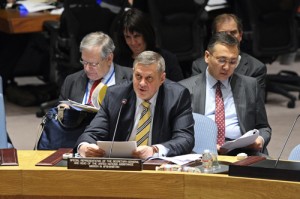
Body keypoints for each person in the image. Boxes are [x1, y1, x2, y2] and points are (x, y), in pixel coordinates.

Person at [75, 51, 194, 159]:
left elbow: (185, 138)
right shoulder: (115, 95)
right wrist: (84, 147)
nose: (142, 83)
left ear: (162, 78)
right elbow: (93, 132)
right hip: (121, 165)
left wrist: (154, 150)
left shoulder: (177, 96)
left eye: (149, 78)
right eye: (138, 76)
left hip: (157, 166)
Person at [180, 32, 271, 156]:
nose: (227, 67)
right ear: (207, 56)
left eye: (233, 62)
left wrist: (260, 139)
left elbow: (263, 127)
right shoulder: (184, 89)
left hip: (243, 152)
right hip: (201, 153)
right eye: (221, 60)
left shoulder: (250, 85)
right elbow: (178, 132)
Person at [191, 13, 266, 98]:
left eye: (233, 33)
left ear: (240, 35)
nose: (229, 38)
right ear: (214, 36)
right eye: (223, 33)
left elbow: (255, 106)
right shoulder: (199, 66)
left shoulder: (256, 68)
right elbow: (196, 101)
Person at [59, 31, 132, 106]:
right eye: (84, 62)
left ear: (109, 59)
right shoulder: (71, 81)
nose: (87, 69)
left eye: (93, 64)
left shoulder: (132, 79)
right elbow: (55, 115)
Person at [114, 8, 184, 82]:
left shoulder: (168, 59)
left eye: (136, 36)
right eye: (128, 37)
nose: (133, 42)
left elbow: (179, 90)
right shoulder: (118, 62)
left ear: (146, 34)